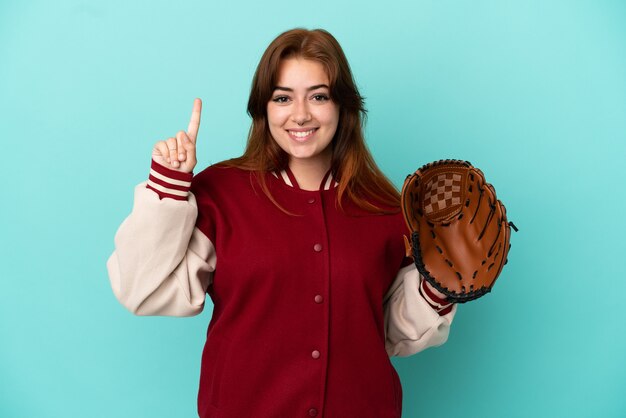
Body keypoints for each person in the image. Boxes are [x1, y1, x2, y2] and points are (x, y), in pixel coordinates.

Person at [107, 28, 456, 418]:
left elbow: (392, 332)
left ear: (343, 106)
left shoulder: (386, 208)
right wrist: (168, 187)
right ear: (264, 108)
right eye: (283, 98)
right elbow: (142, 289)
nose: (301, 114)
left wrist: (440, 285)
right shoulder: (221, 195)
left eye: (319, 96)